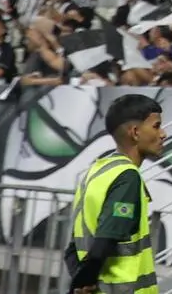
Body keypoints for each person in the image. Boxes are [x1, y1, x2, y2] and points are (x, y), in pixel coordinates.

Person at [68, 95, 164, 294]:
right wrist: (87, 277)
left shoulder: (96, 171)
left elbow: (73, 247)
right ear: (135, 132)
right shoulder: (127, 177)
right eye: (156, 126)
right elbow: (107, 236)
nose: (163, 134)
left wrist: (81, 281)